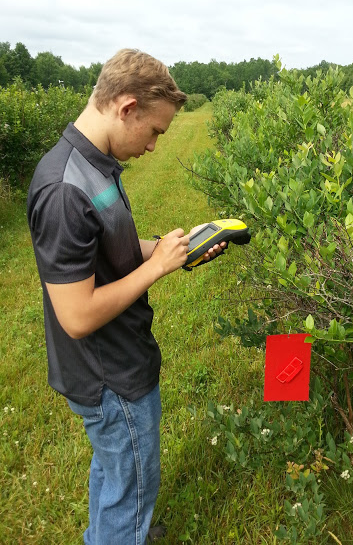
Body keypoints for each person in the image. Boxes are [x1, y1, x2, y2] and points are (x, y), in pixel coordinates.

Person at [27, 49, 226, 545]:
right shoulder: (64, 189)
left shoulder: (97, 166)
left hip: (121, 358)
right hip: (108, 375)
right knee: (132, 481)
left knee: (117, 474)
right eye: (155, 131)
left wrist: (164, 249)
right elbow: (75, 315)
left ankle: (112, 532)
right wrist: (156, 268)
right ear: (127, 108)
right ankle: (122, 532)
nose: (155, 146)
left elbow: (110, 245)